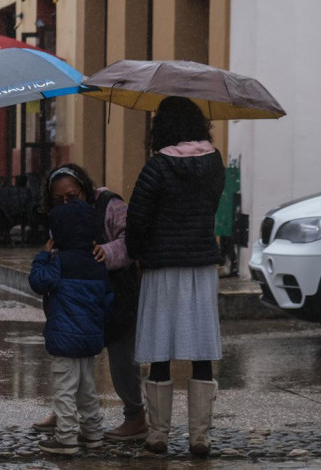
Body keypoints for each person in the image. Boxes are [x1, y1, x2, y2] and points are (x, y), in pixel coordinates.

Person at [125, 96, 225, 456]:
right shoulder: (215, 162)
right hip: (200, 266)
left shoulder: (157, 166)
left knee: (160, 352)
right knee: (201, 352)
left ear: (163, 127)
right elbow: (211, 204)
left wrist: (136, 252)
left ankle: (158, 435)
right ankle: (200, 436)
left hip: (162, 266)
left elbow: (137, 217)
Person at [32, 163, 147, 441]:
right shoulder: (60, 215)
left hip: (116, 292)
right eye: (58, 200)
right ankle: (65, 412)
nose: (66, 203)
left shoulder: (110, 204)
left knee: (121, 357)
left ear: (85, 188)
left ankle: (135, 416)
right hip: (78, 297)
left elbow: (132, 239)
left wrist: (106, 253)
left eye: (71, 196)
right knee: (75, 362)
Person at [28, 199, 113, 454]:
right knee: (86, 389)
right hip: (90, 339)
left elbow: (38, 282)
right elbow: (108, 298)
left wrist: (42, 256)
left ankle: (66, 438)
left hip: (64, 340)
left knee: (65, 389)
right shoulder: (97, 262)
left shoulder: (59, 261)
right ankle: (93, 434)